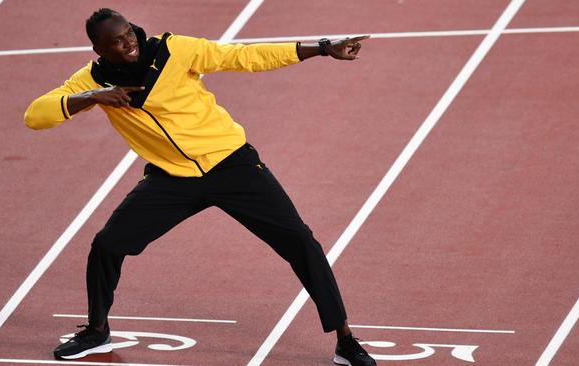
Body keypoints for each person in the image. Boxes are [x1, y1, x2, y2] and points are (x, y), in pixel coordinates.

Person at [25, 8, 375, 366]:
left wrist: (319, 47)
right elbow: (35, 116)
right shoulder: (93, 81)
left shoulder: (174, 51)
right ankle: (97, 332)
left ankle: (345, 340)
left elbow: (244, 57)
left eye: (128, 33)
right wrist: (92, 97)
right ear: (99, 51)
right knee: (106, 244)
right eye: (115, 41)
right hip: (171, 179)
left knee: (300, 241)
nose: (127, 42)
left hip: (232, 165)